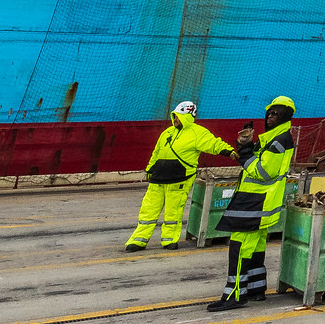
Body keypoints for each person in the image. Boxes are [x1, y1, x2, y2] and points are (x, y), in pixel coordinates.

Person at [207, 95, 297, 312]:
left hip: (254, 203)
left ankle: (234, 295)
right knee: (255, 248)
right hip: (259, 202)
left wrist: (244, 152)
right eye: (270, 111)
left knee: (239, 248)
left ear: (287, 116)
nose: (271, 114)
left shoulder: (279, 141)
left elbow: (262, 172)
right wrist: (244, 145)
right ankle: (256, 289)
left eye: (277, 111)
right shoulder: (271, 139)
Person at [126, 100, 234, 251]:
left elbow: (214, 144)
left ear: (186, 116)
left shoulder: (198, 133)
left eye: (177, 116)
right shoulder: (167, 133)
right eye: (174, 116)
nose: (175, 119)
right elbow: (157, 153)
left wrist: (229, 151)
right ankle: (138, 240)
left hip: (179, 181)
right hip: (158, 180)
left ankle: (169, 240)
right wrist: (150, 170)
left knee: (173, 212)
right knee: (148, 210)